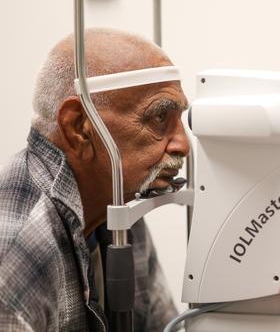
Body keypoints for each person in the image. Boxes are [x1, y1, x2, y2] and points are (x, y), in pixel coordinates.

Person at [0, 28, 189, 331]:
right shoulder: (16, 256)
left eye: (180, 120)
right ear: (79, 127)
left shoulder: (119, 207)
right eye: (158, 118)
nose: (183, 144)